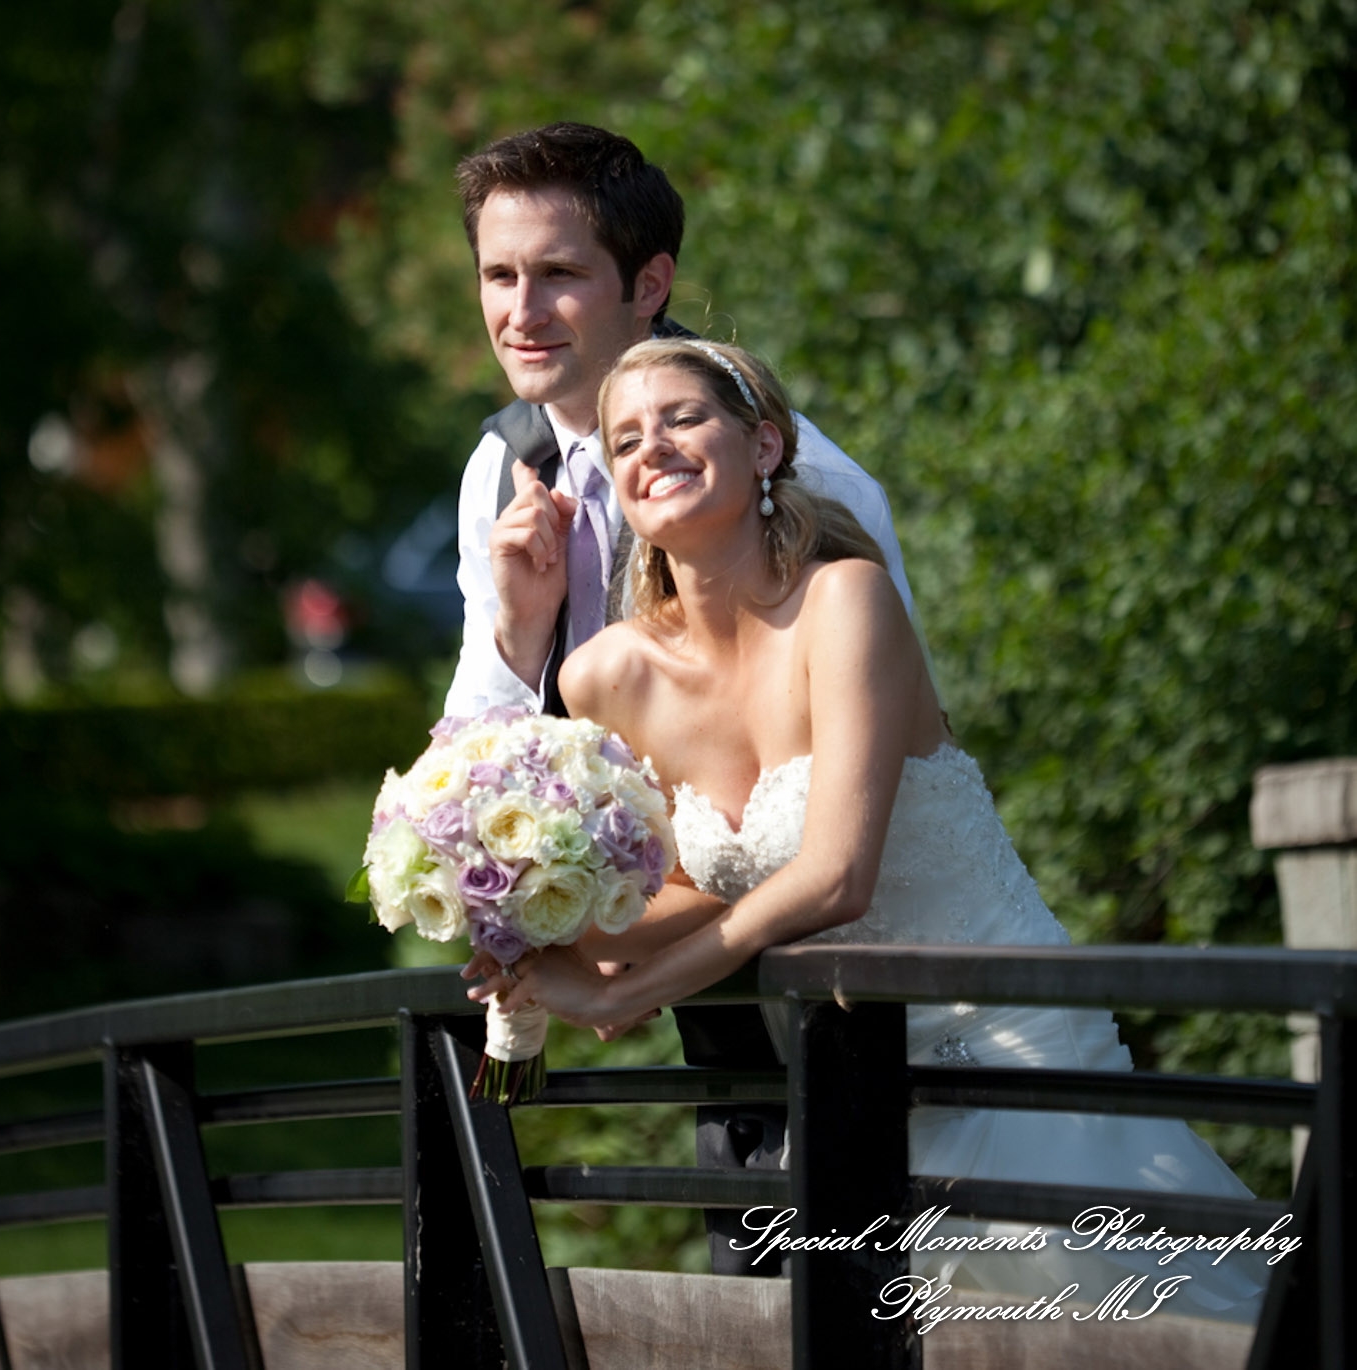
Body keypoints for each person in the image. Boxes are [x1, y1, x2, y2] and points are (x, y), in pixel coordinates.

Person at [463, 338, 1270, 1320]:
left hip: (1005, 1044)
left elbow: (834, 873)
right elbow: (691, 885)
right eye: (625, 437)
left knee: (1167, 1325)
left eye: (682, 418)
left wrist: (623, 997)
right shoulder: (607, 677)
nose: (652, 447)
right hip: (845, 1084)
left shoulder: (847, 598)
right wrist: (549, 930)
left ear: (762, 445)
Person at [445, 122, 928, 1275]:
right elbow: (482, 759)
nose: (522, 310)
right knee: (757, 1289)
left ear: (649, 283)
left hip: (862, 979)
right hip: (692, 970)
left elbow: (882, 747)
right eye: (500, 276)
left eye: (559, 273)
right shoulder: (499, 465)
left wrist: (611, 976)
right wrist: (518, 639)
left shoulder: (795, 476)